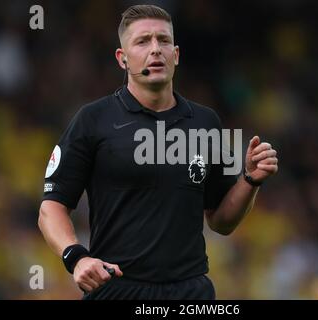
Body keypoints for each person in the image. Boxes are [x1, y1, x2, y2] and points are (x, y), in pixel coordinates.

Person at [38, 4, 278, 300]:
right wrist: (76, 257)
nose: (155, 50)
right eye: (142, 41)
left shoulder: (207, 122)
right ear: (122, 58)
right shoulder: (92, 120)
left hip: (191, 292)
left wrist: (249, 180)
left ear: (175, 55)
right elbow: (51, 207)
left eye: (163, 41)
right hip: (117, 288)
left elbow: (221, 221)